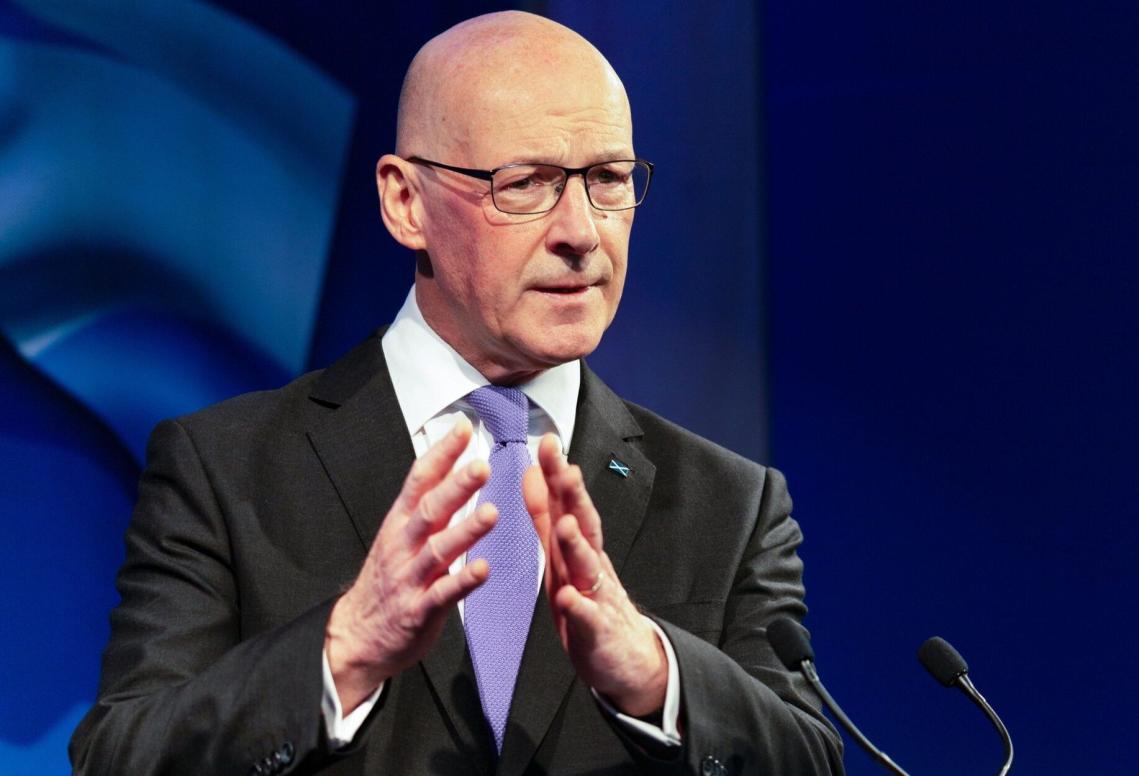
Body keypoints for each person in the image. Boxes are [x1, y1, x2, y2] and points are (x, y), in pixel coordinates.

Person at [70, 11, 843, 776]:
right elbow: (120, 756)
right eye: (527, 182)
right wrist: (341, 652)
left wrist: (658, 678)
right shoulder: (225, 469)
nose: (583, 230)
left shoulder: (732, 504)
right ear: (406, 202)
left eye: (608, 179)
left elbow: (812, 758)